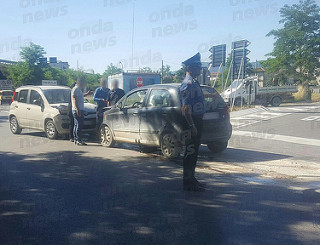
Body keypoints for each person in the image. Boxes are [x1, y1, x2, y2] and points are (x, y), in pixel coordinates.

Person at [179, 52, 206, 192]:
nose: (200, 70)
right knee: (190, 153)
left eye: (200, 67)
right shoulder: (188, 84)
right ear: (189, 67)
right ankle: (187, 182)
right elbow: (185, 108)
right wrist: (192, 126)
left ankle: (192, 178)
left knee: (194, 153)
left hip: (196, 121)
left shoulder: (194, 82)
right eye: (197, 67)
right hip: (190, 123)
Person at [72, 77, 87, 146]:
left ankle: (76, 139)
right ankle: (78, 139)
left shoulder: (78, 89)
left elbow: (80, 97)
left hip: (79, 109)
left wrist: (87, 94)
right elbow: (74, 99)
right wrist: (77, 109)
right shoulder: (76, 89)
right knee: (79, 125)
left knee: (76, 125)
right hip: (78, 110)